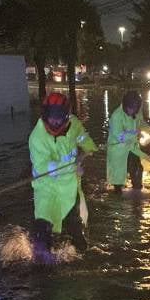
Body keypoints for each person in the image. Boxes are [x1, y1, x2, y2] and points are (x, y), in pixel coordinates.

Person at [29, 92, 97, 263]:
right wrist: (73, 167)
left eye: (59, 118)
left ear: (67, 116)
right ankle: (43, 262)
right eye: (52, 118)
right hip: (46, 188)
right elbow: (45, 167)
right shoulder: (36, 138)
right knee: (43, 225)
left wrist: (88, 152)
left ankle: (80, 255)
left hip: (69, 187)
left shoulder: (74, 124)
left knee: (74, 226)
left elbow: (84, 140)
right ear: (45, 116)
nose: (55, 122)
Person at [107, 91, 150, 194]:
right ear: (125, 105)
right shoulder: (116, 117)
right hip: (118, 149)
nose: (132, 111)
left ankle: (137, 189)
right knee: (117, 177)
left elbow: (141, 123)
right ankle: (117, 193)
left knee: (137, 168)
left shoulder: (137, 112)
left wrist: (148, 130)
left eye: (135, 109)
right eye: (130, 108)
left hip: (132, 147)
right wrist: (137, 135)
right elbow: (119, 136)